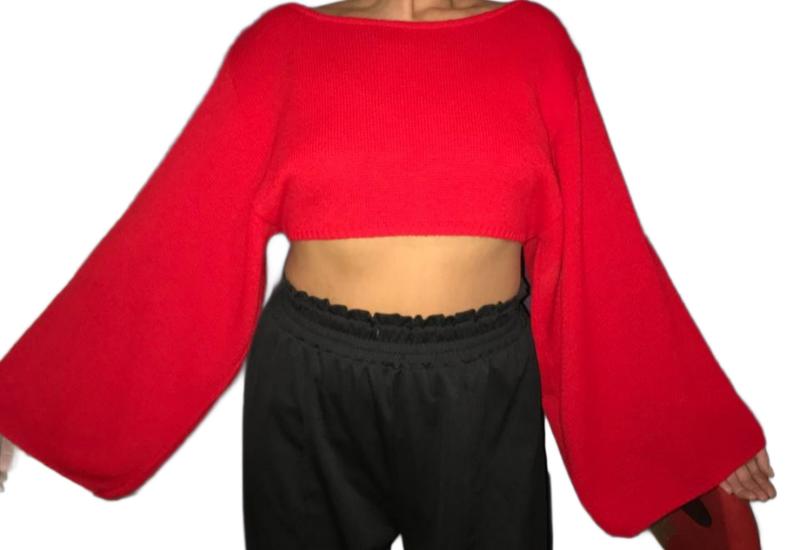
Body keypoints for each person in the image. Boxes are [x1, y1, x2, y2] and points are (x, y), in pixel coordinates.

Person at [0, 1, 776, 548]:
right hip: (311, 384)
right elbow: (175, 237)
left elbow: (604, 253)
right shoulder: (280, 48)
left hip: (484, 384)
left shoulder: (535, 45)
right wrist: (22, 406)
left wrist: (697, 432)